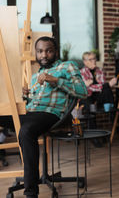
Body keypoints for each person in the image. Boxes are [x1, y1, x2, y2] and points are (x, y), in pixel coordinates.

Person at [0, 36, 88, 198]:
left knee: (26, 132)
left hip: (51, 114)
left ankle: (31, 193)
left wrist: (55, 80)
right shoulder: (36, 76)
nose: (44, 55)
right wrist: (26, 97)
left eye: (48, 51)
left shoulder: (67, 66)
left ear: (55, 52)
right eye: (40, 51)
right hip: (30, 113)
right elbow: (32, 103)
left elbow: (83, 91)